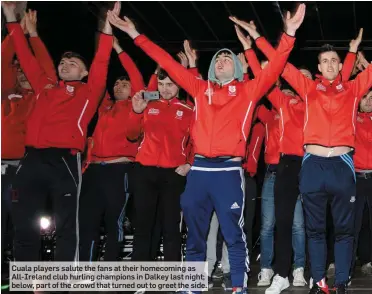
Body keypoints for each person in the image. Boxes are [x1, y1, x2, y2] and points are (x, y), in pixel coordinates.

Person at [107, 4, 306, 293]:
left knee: (233, 234)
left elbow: (276, 65)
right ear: (211, 68)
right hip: (199, 170)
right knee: (195, 235)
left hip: (228, 171)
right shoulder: (200, 88)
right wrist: (134, 33)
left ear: (238, 68)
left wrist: (288, 34)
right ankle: (191, 286)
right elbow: (164, 59)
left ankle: (237, 284)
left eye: (227, 57)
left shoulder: (250, 90)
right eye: (218, 58)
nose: (222, 59)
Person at [2, 1, 115, 261]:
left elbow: (102, 60)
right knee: (24, 227)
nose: (65, 64)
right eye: (63, 61)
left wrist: (107, 28)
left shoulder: (90, 91)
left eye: (73, 63)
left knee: (66, 227)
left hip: (63, 161)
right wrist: (11, 18)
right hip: (29, 160)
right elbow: (26, 55)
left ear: (85, 72)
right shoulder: (44, 87)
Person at [262, 26, 370, 293]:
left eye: (335, 60)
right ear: (319, 66)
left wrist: (358, 55)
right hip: (312, 166)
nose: (330, 64)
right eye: (325, 60)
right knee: (314, 229)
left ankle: (342, 281)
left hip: (343, 166)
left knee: (345, 230)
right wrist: (282, 34)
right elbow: (280, 64)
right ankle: (319, 280)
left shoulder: (354, 89)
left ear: (341, 65)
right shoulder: (308, 88)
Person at [78, 36, 145, 262]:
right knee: (87, 221)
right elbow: (98, 78)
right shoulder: (104, 106)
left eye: (124, 84)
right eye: (117, 84)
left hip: (119, 171)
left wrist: (118, 48)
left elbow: (136, 76)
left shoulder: (136, 107)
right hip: (93, 171)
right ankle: (85, 273)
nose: (119, 86)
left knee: (113, 221)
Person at [1, 8, 57, 272]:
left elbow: (46, 70)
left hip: (21, 171)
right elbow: (2, 60)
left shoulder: (40, 99)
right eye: (18, 69)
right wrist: (14, 29)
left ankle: (27, 274)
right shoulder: (4, 95)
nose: (22, 73)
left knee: (25, 227)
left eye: (26, 69)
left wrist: (31, 35)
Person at [351, 90, 372, 276]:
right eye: (365, 97)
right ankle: (346, 270)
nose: (369, 100)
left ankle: (368, 260)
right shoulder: (351, 116)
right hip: (355, 178)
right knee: (352, 225)